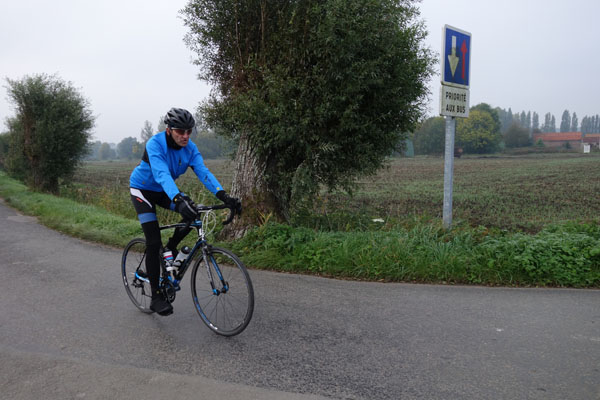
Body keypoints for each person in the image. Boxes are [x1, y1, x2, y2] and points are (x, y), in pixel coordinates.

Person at [129, 107, 240, 316]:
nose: (186, 136)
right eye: (180, 131)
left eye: (189, 131)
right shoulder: (155, 144)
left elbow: (204, 173)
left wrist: (224, 196)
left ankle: (170, 248)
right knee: (153, 241)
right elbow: (161, 174)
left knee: (193, 213)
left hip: (164, 191)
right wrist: (178, 199)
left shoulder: (190, 149)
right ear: (169, 130)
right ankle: (155, 298)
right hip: (142, 190)